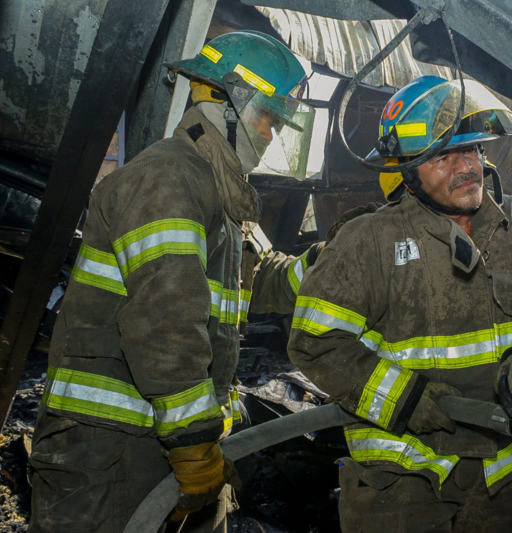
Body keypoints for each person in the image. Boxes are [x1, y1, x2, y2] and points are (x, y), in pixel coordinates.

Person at [288, 75, 512, 532]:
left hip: (499, 482)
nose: (466, 166)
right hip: (402, 483)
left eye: (472, 150)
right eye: (443, 156)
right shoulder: (369, 241)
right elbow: (316, 342)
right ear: (409, 171)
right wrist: (403, 399)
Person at [28, 31, 318, 532]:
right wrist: (194, 443)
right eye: (269, 120)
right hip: (111, 450)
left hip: (163, 440)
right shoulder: (168, 178)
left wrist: (329, 262)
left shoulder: (219, 193)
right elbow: (166, 319)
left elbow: (257, 281)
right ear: (230, 103)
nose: (271, 137)